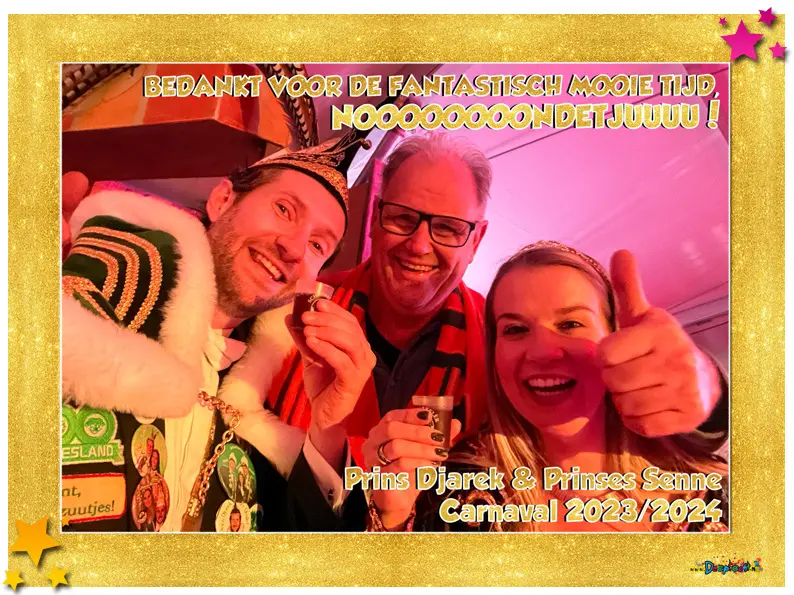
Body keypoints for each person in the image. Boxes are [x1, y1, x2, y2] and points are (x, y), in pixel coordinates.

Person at [247, 133, 728, 526]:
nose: (419, 245)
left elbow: (615, 418)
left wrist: (708, 391)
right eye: (403, 218)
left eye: (449, 228)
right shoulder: (292, 319)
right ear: (376, 218)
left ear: (476, 240)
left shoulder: (497, 341)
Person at [61, 131, 374, 532]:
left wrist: (328, 426)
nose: (295, 248)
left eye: (318, 246)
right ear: (223, 199)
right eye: (283, 209)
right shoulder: (78, 307)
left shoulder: (256, 425)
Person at [366, 241, 729, 532]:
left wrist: (711, 381)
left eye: (570, 324)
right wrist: (392, 517)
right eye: (515, 329)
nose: (541, 352)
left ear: (615, 334)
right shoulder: (454, 492)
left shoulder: (710, 489)